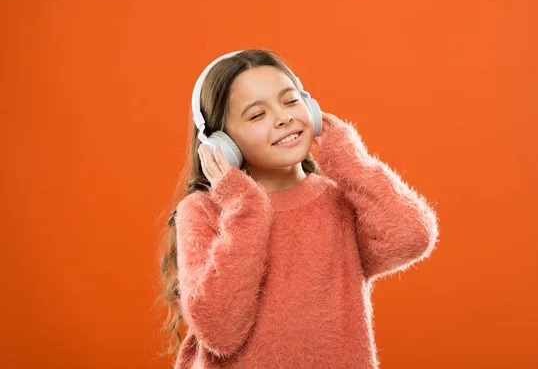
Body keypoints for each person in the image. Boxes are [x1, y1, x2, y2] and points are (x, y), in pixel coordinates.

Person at [158, 49, 439, 368]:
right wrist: (246, 209)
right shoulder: (203, 211)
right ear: (222, 143)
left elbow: (410, 237)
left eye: (290, 101)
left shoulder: (337, 200)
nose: (283, 117)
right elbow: (220, 330)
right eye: (256, 114)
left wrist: (350, 162)